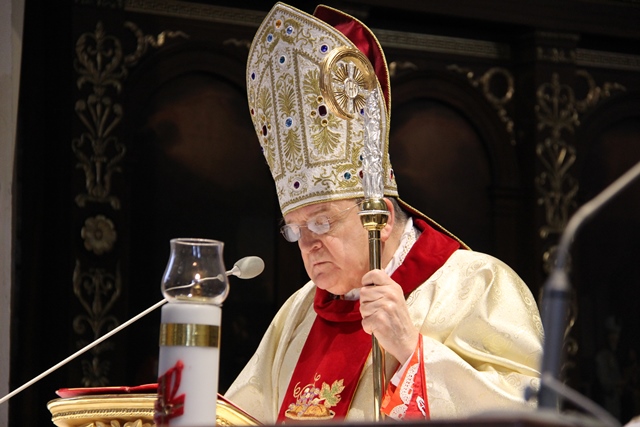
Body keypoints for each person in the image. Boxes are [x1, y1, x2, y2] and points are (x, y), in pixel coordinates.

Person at [225, 2, 543, 423]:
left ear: (383, 218)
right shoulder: (298, 313)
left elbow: (529, 411)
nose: (309, 244)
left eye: (322, 221)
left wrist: (412, 350)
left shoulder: (477, 284)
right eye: (296, 230)